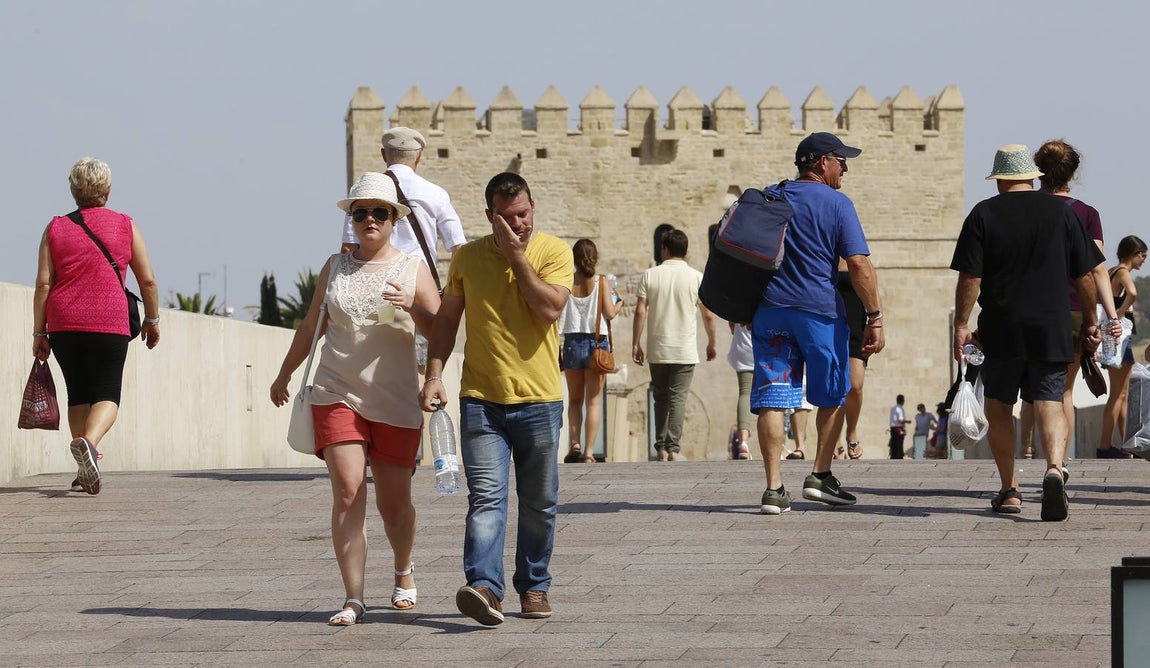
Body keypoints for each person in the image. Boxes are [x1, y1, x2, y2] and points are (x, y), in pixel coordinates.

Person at [271, 172, 441, 624]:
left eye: (379, 212)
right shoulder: (334, 267)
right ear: (352, 219)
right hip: (335, 391)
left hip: (395, 399)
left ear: (392, 220)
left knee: (394, 504)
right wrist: (284, 374)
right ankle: (353, 597)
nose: (369, 219)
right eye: (361, 212)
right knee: (347, 492)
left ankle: (403, 571)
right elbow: (311, 328)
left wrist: (413, 305)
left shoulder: (412, 269)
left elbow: (441, 330)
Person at [419, 172, 573, 626]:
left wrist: (516, 257)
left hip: (540, 400)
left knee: (539, 502)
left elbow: (548, 308)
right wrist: (433, 374)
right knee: (485, 497)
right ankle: (485, 586)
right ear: (489, 217)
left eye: (523, 215)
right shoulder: (466, 257)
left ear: (533, 208)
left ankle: (534, 586)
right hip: (480, 400)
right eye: (506, 219)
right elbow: (447, 321)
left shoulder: (553, 252)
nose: (517, 224)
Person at [951, 144, 1120, 521]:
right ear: (1031, 175)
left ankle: (1010, 490)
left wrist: (962, 325)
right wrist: (1091, 323)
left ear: (1000, 181)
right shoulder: (1063, 214)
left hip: (1001, 325)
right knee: (1049, 399)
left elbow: (971, 278)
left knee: (999, 404)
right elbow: (1086, 274)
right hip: (1052, 322)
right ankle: (1055, 469)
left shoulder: (983, 214)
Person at [752, 132, 885, 515]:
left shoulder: (772, 196)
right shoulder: (838, 204)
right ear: (822, 162)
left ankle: (774, 489)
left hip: (771, 311)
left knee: (773, 400)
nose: (845, 166)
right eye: (841, 159)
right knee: (832, 393)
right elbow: (858, 264)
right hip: (819, 314)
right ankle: (819, 475)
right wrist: (874, 315)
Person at [32, 157, 161, 495]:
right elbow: (147, 281)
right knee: (106, 393)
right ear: (107, 190)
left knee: (78, 391)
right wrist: (152, 320)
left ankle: (83, 464)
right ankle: (89, 442)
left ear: (74, 191)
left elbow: (44, 283)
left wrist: (39, 331)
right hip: (109, 320)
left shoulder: (55, 227)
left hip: (64, 323)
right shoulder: (125, 224)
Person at [1032, 140, 1122, 460]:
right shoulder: (1086, 214)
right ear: (1073, 172)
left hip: (1027, 309)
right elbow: (1096, 268)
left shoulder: (1026, 208)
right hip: (1071, 311)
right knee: (1064, 391)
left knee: (1033, 392)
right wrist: (1110, 317)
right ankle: (1060, 463)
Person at [632, 228, 718, 461]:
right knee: (678, 397)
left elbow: (640, 311)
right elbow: (708, 315)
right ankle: (673, 448)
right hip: (684, 349)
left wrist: (635, 343)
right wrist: (712, 342)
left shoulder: (650, 275)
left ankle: (659, 447)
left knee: (660, 396)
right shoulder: (696, 277)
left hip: (657, 348)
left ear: (665, 249)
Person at [341, 127, 466, 264]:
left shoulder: (364, 191)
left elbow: (349, 248)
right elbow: (459, 247)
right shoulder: (437, 194)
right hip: (421, 280)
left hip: (377, 277)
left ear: (383, 154)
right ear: (419, 156)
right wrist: (452, 284)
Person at [560, 239, 623, 463]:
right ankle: (588, 453)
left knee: (574, 400)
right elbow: (610, 312)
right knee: (593, 402)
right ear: (594, 258)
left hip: (571, 343)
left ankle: (574, 442)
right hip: (596, 344)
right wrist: (619, 302)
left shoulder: (567, 280)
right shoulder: (602, 282)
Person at [1099, 235, 1147, 454]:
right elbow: (1134, 293)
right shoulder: (1123, 272)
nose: (1144, 261)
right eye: (1143, 256)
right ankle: (1105, 445)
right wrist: (1119, 314)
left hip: (1112, 337)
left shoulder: (1110, 271)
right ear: (1134, 254)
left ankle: (1126, 442)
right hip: (1121, 337)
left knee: (1122, 393)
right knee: (1118, 394)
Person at [835, 260, 868, 460]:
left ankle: (851, 431)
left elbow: (871, 286)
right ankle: (833, 439)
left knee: (855, 384)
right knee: (833, 386)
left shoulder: (858, 255)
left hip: (855, 327)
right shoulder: (821, 252)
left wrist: (877, 322)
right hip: (827, 325)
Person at [727, 323, 754, 460]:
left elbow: (731, 316)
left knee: (745, 393)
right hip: (768, 345)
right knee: (772, 395)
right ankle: (779, 445)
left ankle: (743, 442)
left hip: (744, 345)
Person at [887, 395, 912, 459]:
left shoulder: (893, 408)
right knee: (899, 445)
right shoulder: (900, 408)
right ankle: (899, 458)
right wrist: (908, 421)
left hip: (893, 428)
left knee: (894, 445)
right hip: (898, 428)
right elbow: (900, 420)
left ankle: (893, 457)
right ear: (902, 401)